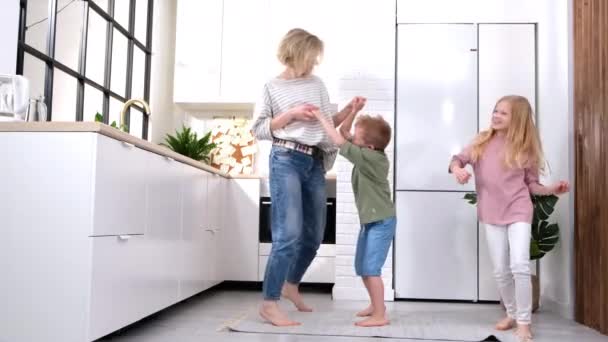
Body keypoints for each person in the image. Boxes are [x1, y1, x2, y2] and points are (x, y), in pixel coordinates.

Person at [251, 28, 366, 326]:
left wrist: (350, 110)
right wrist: (291, 115)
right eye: (311, 58)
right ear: (296, 53)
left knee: (313, 237)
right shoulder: (271, 87)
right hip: (286, 159)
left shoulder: (316, 83)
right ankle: (269, 302)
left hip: (314, 162)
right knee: (288, 234)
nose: (314, 65)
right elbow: (260, 128)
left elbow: (327, 122)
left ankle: (291, 284)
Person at [449, 95, 569, 342]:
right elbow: (457, 159)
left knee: (520, 266)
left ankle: (524, 322)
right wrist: (458, 169)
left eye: (503, 113)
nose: (496, 115)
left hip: (519, 210)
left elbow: (532, 185)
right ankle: (512, 313)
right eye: (496, 110)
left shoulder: (525, 149)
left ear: (518, 119)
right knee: (501, 271)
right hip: (491, 211)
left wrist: (552, 189)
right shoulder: (482, 141)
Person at [313, 108, 395, 327]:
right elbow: (345, 131)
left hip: (381, 222)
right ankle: (376, 306)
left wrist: (322, 118)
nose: (352, 138)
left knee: (371, 269)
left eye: (356, 138)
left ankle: (380, 315)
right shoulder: (366, 151)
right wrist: (355, 110)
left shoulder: (372, 159)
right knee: (362, 267)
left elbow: (338, 138)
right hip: (370, 222)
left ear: (368, 146)